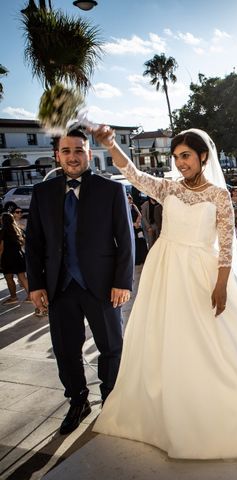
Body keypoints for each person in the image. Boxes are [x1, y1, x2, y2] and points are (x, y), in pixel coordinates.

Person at [92, 125, 237, 459]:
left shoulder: (219, 195)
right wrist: (111, 143)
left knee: (210, 339)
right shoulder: (168, 189)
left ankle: (218, 405)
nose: (181, 162)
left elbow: (227, 246)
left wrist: (221, 284)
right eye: (176, 157)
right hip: (166, 272)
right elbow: (132, 173)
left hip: (201, 273)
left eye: (186, 155)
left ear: (203, 156)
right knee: (167, 337)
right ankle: (167, 406)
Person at [25, 128, 134, 435]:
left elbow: (125, 240)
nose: (73, 156)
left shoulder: (109, 190)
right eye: (66, 151)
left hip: (102, 286)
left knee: (111, 347)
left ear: (89, 153)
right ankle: (78, 400)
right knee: (65, 349)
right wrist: (35, 285)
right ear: (57, 155)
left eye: (79, 150)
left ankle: (111, 399)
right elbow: (33, 243)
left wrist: (122, 282)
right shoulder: (42, 193)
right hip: (60, 287)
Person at [0, 212, 29, 304]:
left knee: (9, 277)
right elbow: (24, 243)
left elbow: (1, 248)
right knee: (22, 277)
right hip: (19, 255)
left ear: (3, 221)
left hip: (7, 257)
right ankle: (30, 296)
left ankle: (13, 297)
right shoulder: (18, 230)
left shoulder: (2, 232)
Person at [128, 194, 148, 265]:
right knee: (135, 242)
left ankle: (144, 258)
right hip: (130, 227)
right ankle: (137, 259)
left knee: (141, 240)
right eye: (128, 198)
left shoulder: (133, 206)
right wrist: (133, 224)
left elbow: (140, 215)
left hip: (138, 226)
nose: (129, 199)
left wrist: (137, 222)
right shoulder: (124, 208)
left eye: (130, 198)